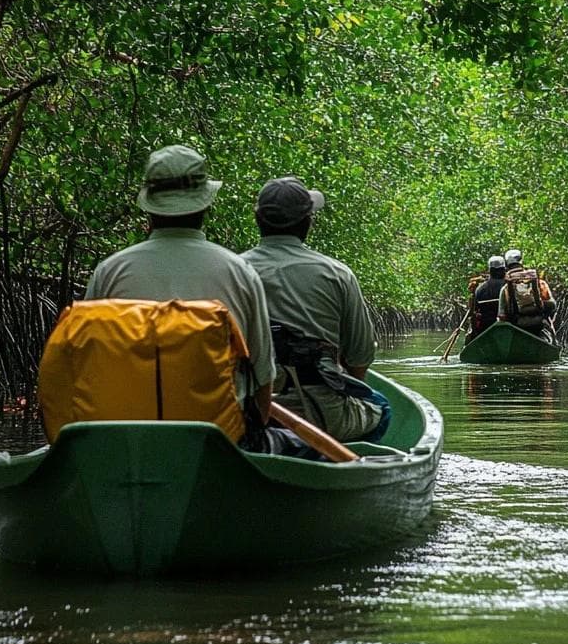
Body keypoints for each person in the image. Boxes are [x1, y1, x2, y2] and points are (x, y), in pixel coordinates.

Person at [84, 143, 296, 454]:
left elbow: (87, 369)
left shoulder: (110, 272)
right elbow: (262, 381)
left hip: (124, 439)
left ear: (149, 207)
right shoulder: (240, 273)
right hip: (219, 440)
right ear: (205, 206)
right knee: (299, 449)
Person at [241, 176, 391, 443]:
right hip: (323, 416)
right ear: (308, 221)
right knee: (382, 407)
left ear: (258, 219)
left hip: (247, 414)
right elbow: (360, 357)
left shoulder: (234, 272)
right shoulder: (337, 274)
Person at [497, 247, 557, 339]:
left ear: (507, 265)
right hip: (539, 328)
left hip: (516, 331)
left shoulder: (505, 289)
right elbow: (553, 306)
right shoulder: (540, 283)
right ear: (521, 263)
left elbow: (502, 316)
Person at [467, 255, 507, 342]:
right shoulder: (510, 286)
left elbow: (474, 309)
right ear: (504, 269)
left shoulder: (480, 288)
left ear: (490, 270)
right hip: (509, 323)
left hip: (486, 326)